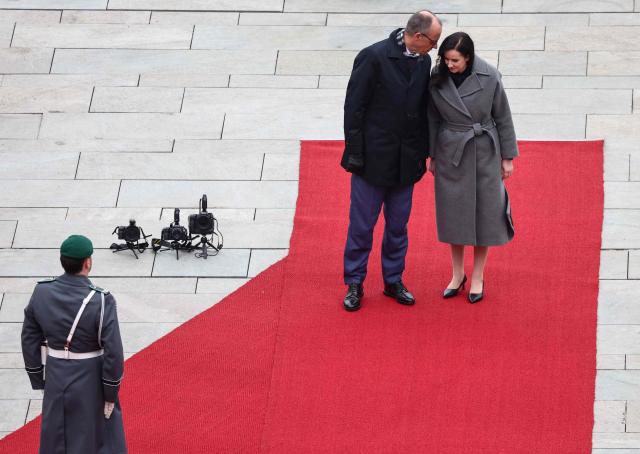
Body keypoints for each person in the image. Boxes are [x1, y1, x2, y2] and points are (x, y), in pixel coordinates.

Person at [340, 11, 443, 311]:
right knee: (362, 226)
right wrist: (356, 153)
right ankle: (355, 282)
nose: (435, 49)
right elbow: (353, 109)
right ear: (418, 37)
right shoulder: (373, 57)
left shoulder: (423, 62)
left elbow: (423, 111)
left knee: (398, 227)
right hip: (372, 160)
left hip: (405, 162)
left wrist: (423, 152)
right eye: (433, 42)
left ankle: (393, 280)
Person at [427, 32, 518, 304]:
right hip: (450, 150)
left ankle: (477, 275)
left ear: (468, 57)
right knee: (453, 213)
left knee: (485, 215)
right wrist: (432, 154)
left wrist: (508, 157)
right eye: (445, 59)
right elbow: (432, 119)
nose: (449, 65)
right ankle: (457, 274)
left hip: (484, 152)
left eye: (454, 60)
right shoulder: (436, 77)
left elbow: (503, 116)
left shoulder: (490, 76)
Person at [21, 235, 127, 454]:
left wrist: (38, 378)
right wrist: (110, 393)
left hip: (55, 374)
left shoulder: (41, 292)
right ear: (87, 262)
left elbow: (29, 338)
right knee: (96, 436)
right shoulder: (101, 300)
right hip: (90, 375)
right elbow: (113, 352)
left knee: (56, 434)